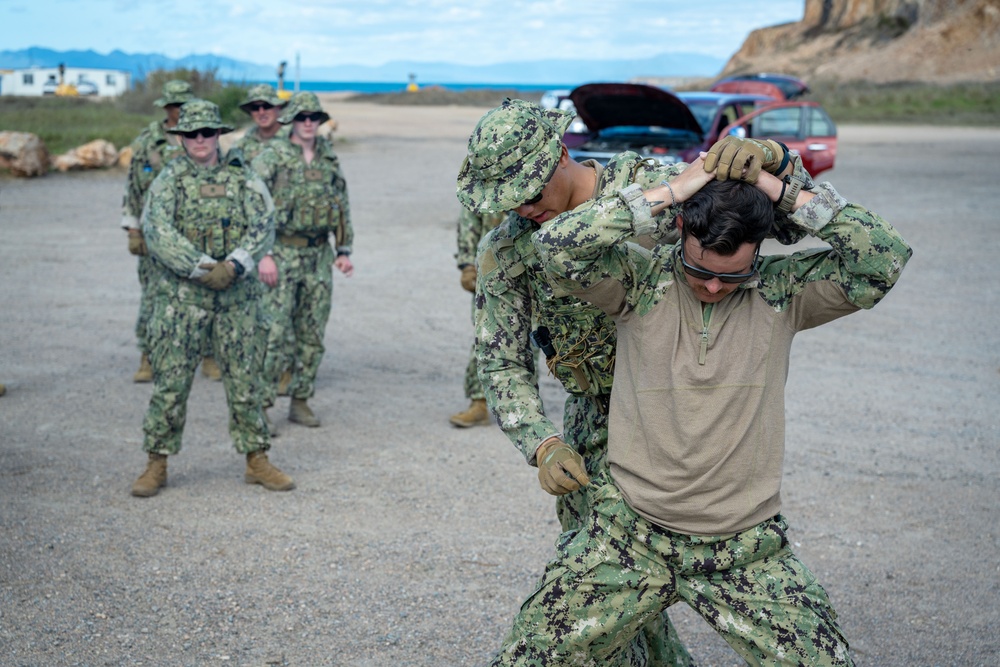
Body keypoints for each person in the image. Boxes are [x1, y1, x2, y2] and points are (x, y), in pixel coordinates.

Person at [482, 133, 912, 664]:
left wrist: (772, 181)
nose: (712, 287)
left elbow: (884, 256)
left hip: (743, 545)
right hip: (629, 531)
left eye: (731, 275)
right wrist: (679, 188)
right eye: (700, 270)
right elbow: (555, 253)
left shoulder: (781, 291)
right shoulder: (642, 285)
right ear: (679, 232)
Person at [457, 98, 694, 665]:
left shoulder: (657, 188)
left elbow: (765, 221)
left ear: (562, 155)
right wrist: (542, 443)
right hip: (596, 423)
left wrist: (776, 162)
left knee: (691, 577)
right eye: (508, 200)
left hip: (689, 416)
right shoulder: (509, 248)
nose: (522, 208)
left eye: (531, 193)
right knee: (599, 585)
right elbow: (501, 361)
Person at [131, 99, 294, 498]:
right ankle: (157, 461)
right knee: (171, 383)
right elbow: (158, 232)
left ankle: (256, 459)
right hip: (182, 299)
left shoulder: (243, 177)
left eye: (207, 133)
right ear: (181, 137)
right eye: (192, 134)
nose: (200, 140)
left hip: (237, 298)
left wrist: (236, 265)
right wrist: (205, 267)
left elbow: (264, 224)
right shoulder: (168, 180)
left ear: (218, 135)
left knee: (246, 383)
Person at [251, 91, 354, 434]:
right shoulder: (273, 155)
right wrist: (262, 253)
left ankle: (300, 399)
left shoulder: (328, 157)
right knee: (274, 333)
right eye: (301, 117)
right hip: (280, 253)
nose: (308, 123)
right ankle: (262, 406)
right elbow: (252, 203)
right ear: (291, 121)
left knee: (312, 332)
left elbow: (341, 203)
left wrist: (343, 250)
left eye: (314, 117)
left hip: (318, 255)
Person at [121, 80, 226, 383]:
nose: (178, 111)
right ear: (165, 107)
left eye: (183, 105)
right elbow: (133, 187)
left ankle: (208, 355)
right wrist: (133, 228)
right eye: (173, 105)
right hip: (157, 235)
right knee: (155, 297)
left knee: (207, 293)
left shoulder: (206, 138)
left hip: (200, 233)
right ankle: (149, 357)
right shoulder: (148, 141)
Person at [229, 83, 294, 395]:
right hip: (254, 238)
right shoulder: (242, 148)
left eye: (266, 106)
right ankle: (253, 367)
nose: (261, 112)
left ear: (278, 109)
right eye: (255, 108)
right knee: (257, 308)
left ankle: (285, 369)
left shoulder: (295, 141)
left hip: (289, 236)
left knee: (287, 311)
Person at [449, 207, 504, 428]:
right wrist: (467, 264)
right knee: (484, 336)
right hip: (490, 266)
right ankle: (479, 402)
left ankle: (525, 406)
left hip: (535, 263)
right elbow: (469, 214)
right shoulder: (483, 176)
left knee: (533, 337)